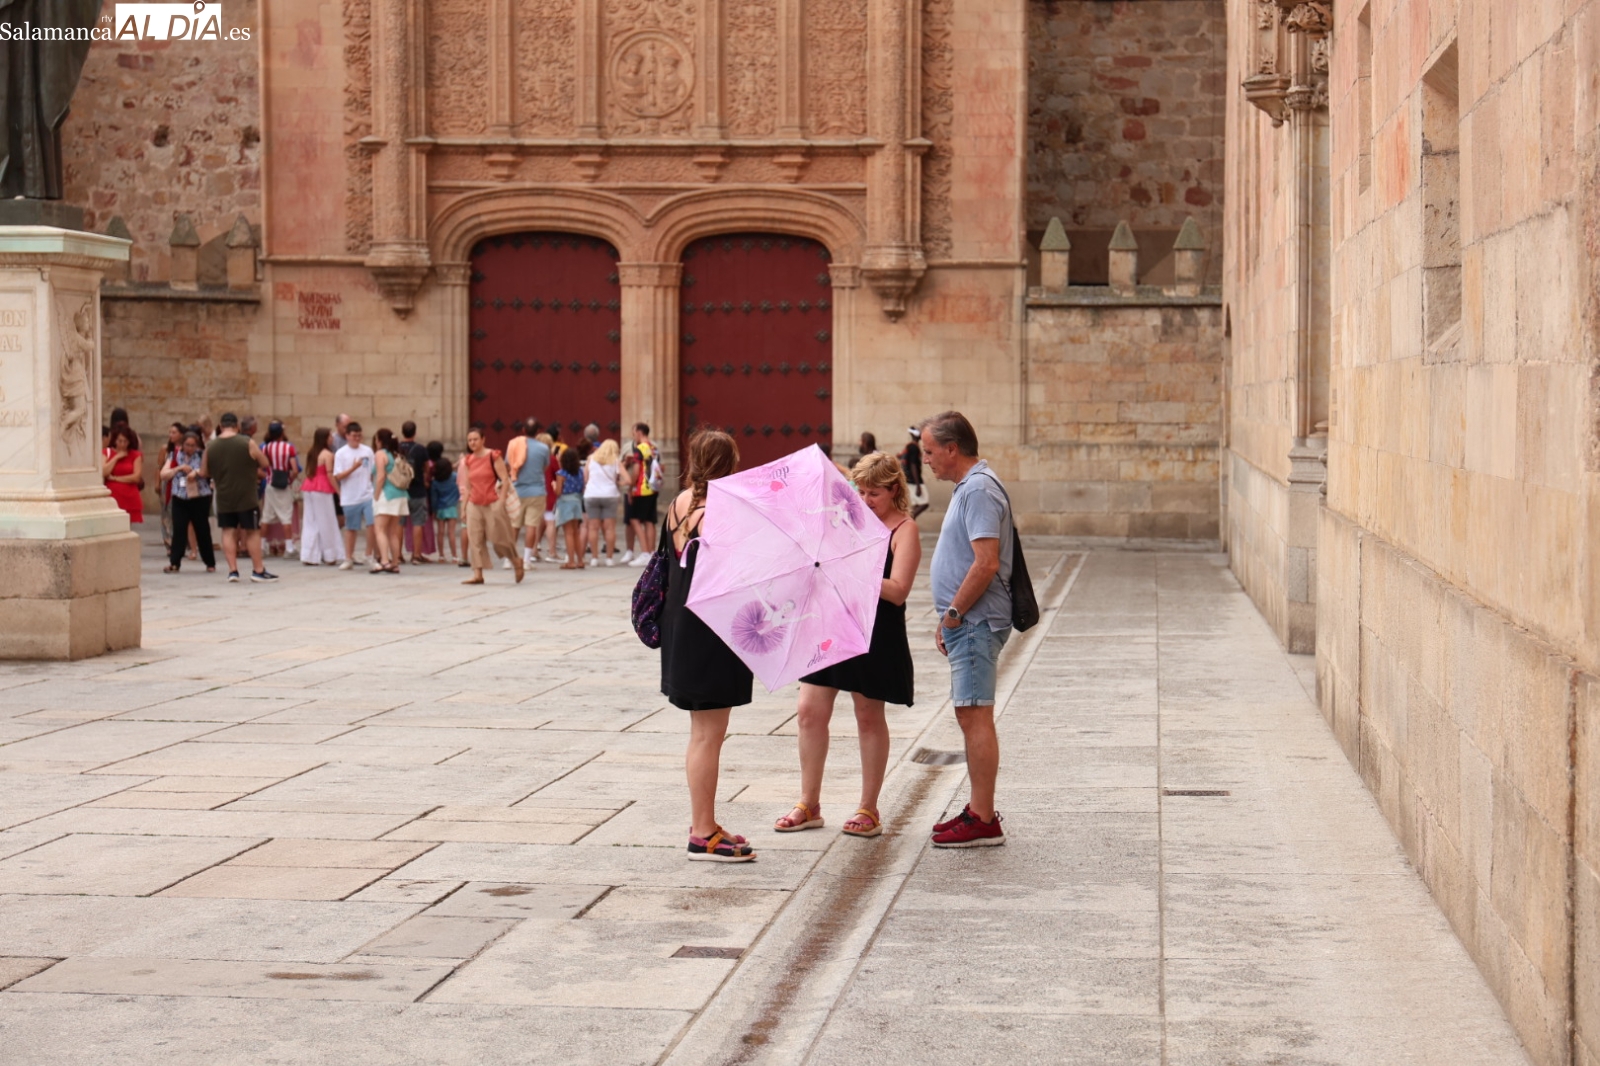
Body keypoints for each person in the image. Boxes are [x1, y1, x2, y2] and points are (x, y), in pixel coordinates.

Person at [775, 451, 920, 840]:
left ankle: (868, 807)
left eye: (874, 494)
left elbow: (898, 591)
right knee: (808, 711)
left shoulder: (904, 529)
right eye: (861, 492)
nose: (866, 500)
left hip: (875, 631)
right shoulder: (844, 520)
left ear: (894, 490)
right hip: (830, 624)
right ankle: (809, 804)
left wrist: (852, 570)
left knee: (868, 715)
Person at [659, 429, 756, 862]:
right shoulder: (723, 512)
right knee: (708, 735)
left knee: (702, 733)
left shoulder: (679, 504)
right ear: (728, 464)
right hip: (710, 630)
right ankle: (702, 832)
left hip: (682, 625)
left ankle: (706, 822)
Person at [920, 410, 1014, 847]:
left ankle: (983, 818)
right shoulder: (970, 487)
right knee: (969, 712)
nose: (926, 460)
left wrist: (955, 613)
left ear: (952, 449)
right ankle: (978, 809)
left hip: (975, 621)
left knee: (975, 715)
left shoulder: (977, 489)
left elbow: (986, 562)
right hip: (968, 621)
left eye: (929, 452)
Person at [199, 412, 276, 583]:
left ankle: (233, 570)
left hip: (224, 495)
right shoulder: (247, 442)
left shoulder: (211, 446)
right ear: (237, 426)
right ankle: (258, 570)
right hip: (246, 495)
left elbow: (204, 472)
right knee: (252, 531)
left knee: (228, 531)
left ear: (220, 426)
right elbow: (264, 463)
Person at [458, 423, 523, 585]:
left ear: (483, 439)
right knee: (475, 538)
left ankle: (516, 561)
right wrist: (463, 508)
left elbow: (505, 479)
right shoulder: (468, 460)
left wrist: (501, 501)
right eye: (470, 440)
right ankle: (477, 574)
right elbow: (468, 486)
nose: (472, 443)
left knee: (500, 538)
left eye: (475, 439)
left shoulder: (493, 456)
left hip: (493, 502)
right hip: (474, 503)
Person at [159, 431, 215, 573]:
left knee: (202, 529)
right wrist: (178, 468)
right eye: (187, 445)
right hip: (180, 496)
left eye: (192, 445)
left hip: (199, 497)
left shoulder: (202, 455)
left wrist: (196, 472)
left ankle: (209, 562)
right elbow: (163, 474)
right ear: (182, 444)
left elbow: (210, 471)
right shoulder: (174, 455)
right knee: (179, 530)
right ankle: (175, 562)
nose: (190, 448)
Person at [333, 421, 377, 571]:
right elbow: (338, 476)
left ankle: (369, 554)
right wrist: (353, 467)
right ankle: (348, 557)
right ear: (347, 436)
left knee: (372, 523)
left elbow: (372, 471)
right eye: (354, 436)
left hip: (367, 493)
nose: (357, 438)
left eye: (359, 436)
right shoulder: (341, 453)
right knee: (351, 528)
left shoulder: (367, 451)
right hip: (350, 495)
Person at [299, 427, 345, 566]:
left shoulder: (312, 452)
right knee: (327, 520)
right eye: (330, 436)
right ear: (324, 439)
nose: (332, 438)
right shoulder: (328, 454)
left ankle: (309, 555)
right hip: (322, 488)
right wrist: (339, 491)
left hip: (309, 486)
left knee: (310, 521)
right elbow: (330, 475)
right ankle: (330, 555)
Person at [507, 418, 551, 566]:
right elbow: (545, 467)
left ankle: (509, 559)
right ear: (538, 431)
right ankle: (526, 560)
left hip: (517, 490)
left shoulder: (513, 445)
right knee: (531, 526)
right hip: (537, 491)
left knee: (514, 525)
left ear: (523, 430)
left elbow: (508, 464)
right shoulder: (544, 448)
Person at [371, 427, 408, 574]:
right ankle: (395, 562)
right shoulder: (396, 454)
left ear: (380, 441)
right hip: (400, 494)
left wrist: (376, 495)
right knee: (393, 531)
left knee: (380, 530)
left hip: (386, 494)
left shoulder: (380, 454)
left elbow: (380, 477)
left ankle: (385, 561)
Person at [260, 421, 300, 557]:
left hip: (270, 484)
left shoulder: (265, 448)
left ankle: (262, 546)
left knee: (266, 516)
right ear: (282, 433)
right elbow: (295, 469)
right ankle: (289, 548)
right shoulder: (289, 448)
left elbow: (262, 466)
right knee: (286, 515)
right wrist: (290, 480)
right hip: (283, 485)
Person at [583, 439, 625, 567]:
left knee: (592, 527)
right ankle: (609, 558)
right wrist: (618, 483)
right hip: (610, 495)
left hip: (592, 494)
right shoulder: (615, 461)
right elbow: (628, 479)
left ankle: (594, 558)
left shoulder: (591, 459)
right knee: (610, 528)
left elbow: (586, 478)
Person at [623, 422, 660, 567]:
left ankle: (644, 552)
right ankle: (651, 552)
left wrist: (630, 487)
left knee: (634, 519)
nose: (634, 436)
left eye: (634, 433)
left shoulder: (639, 449)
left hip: (641, 488)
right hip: (653, 487)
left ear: (639, 432)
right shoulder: (654, 448)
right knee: (650, 520)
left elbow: (636, 471)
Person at [398, 421, 432, 564]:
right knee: (418, 522)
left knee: (399, 523)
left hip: (400, 490)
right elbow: (427, 467)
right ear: (415, 432)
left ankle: (398, 555)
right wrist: (425, 479)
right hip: (417, 489)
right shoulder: (420, 449)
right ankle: (416, 555)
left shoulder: (397, 448)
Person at [101, 424, 144, 525]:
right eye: (120, 441)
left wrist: (115, 478)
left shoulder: (135, 455)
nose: (122, 444)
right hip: (113, 497)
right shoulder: (106, 452)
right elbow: (104, 472)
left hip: (130, 496)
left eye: (125, 441)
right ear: (115, 440)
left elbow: (136, 477)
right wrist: (116, 457)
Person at [553, 446, 587, 569]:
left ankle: (571, 561)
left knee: (568, 532)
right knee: (576, 532)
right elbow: (582, 487)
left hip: (565, 502)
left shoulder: (561, 474)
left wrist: (554, 486)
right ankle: (580, 560)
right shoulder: (580, 472)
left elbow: (558, 492)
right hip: (577, 501)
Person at [429, 454, 461, 565]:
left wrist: (433, 510)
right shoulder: (455, 477)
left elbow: (434, 498)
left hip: (440, 508)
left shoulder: (435, 481)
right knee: (451, 533)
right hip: (451, 507)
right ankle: (454, 556)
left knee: (440, 532)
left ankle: (441, 555)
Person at [159, 421, 184, 550]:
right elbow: (159, 467)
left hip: (180, 484)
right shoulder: (167, 450)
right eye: (170, 432)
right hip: (168, 483)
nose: (171, 435)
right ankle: (168, 540)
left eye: (174, 432)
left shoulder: (185, 450)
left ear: (181, 434)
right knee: (166, 513)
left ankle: (178, 541)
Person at [543, 426, 567, 562]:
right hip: (548, 491)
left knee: (538, 523)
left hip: (536, 492)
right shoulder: (550, 459)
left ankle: (533, 551)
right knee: (551, 521)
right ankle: (552, 552)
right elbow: (559, 474)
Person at [900, 426, 929, 519]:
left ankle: (909, 520)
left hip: (910, 480)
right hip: (914, 481)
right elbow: (913, 466)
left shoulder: (911, 446)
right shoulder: (913, 447)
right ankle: (908, 520)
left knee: (916, 504)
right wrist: (918, 485)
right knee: (924, 502)